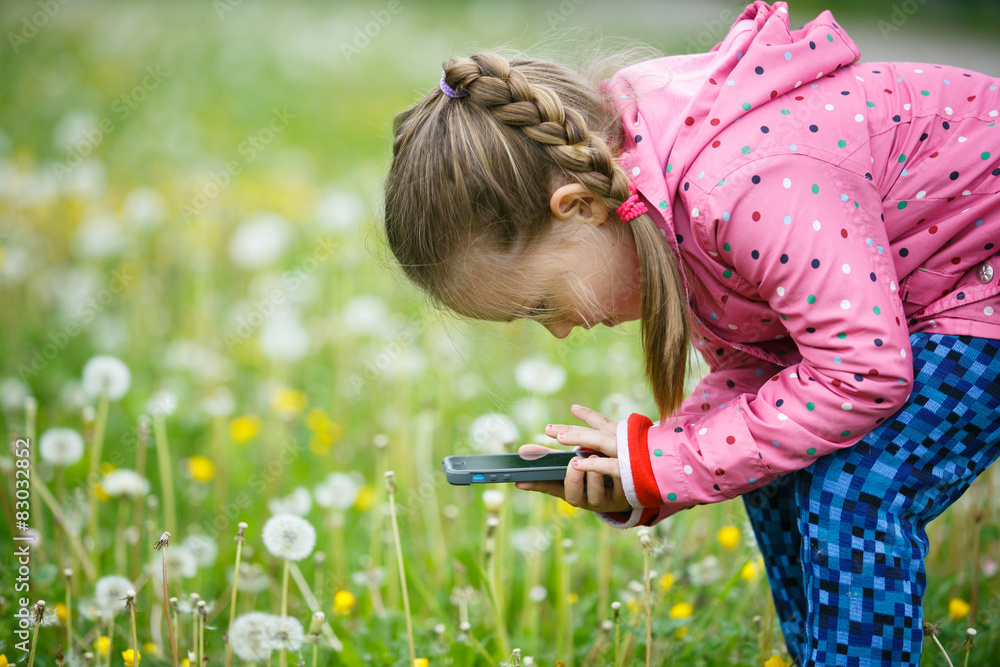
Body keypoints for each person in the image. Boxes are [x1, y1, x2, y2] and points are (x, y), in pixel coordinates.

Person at [382, 1, 1000, 664]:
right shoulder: (658, 194)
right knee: (780, 466)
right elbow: (767, 371)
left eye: (540, 305)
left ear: (579, 208)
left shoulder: (740, 186)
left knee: (856, 486)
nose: (560, 332)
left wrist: (675, 463)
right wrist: (647, 466)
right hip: (930, 297)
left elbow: (860, 373)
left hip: (981, 283)